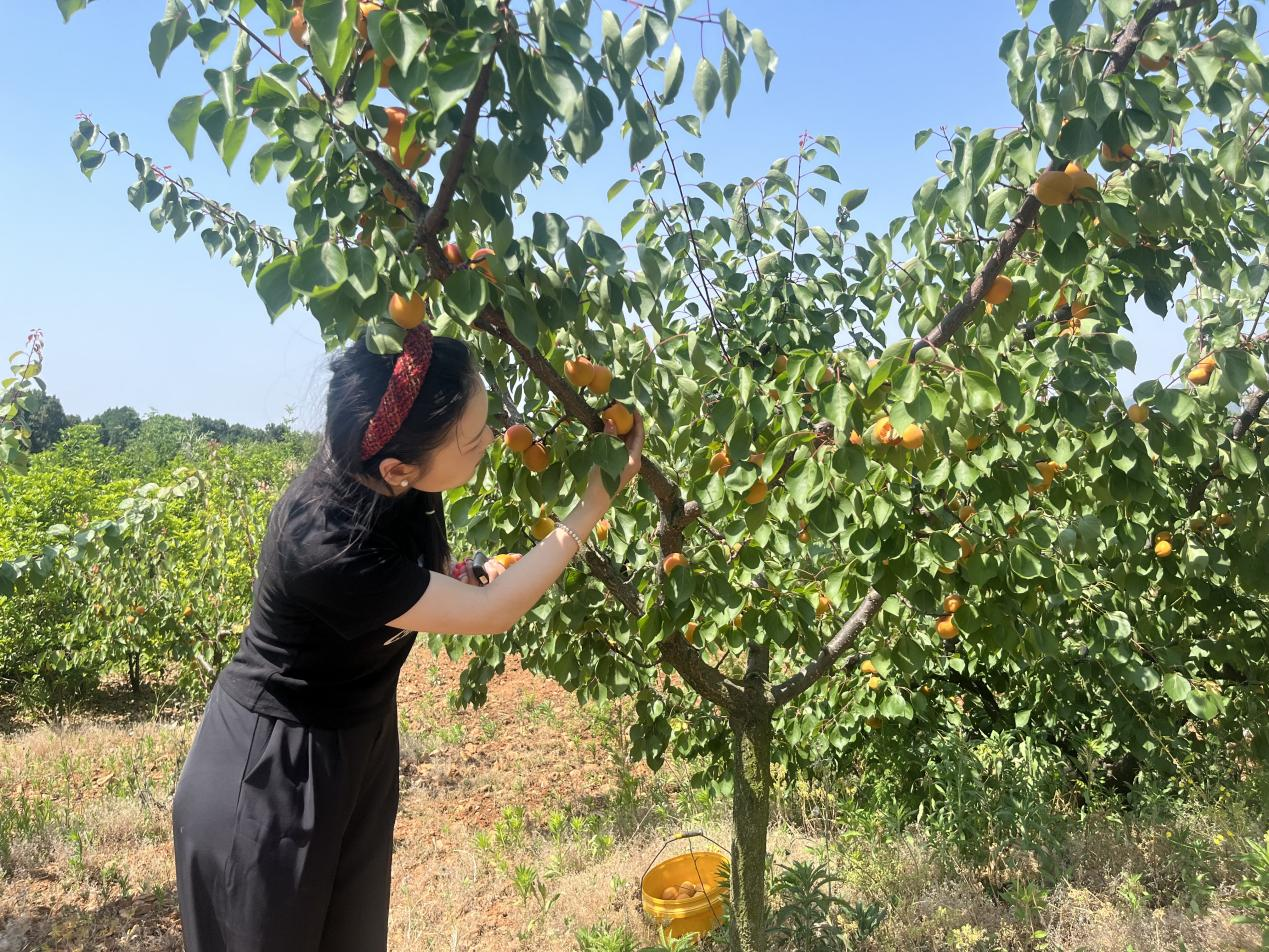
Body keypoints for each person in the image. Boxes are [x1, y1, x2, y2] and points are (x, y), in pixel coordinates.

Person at [171, 324, 644, 952]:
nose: (493, 442)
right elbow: (494, 612)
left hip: (358, 739)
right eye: (474, 440)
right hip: (270, 770)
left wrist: (456, 578)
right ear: (398, 467)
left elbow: (411, 585)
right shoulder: (323, 543)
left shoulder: (396, 470)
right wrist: (593, 504)